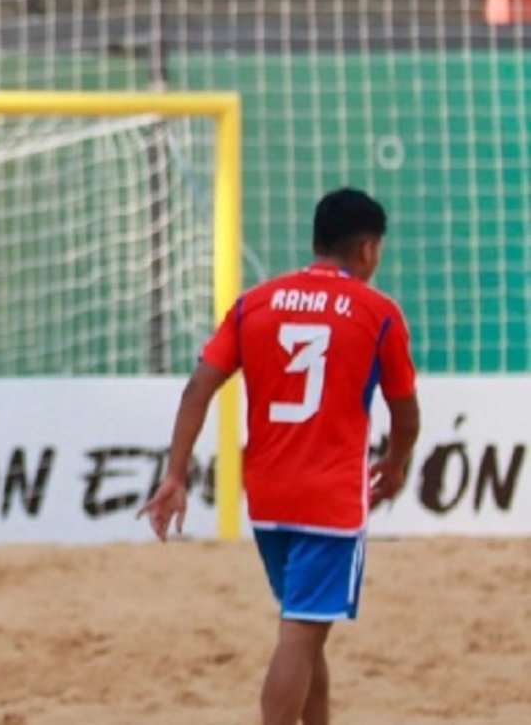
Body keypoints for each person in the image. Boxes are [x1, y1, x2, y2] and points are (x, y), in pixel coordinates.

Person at [139, 187, 421, 725]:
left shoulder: (256, 303)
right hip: (331, 498)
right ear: (367, 250)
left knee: (307, 629)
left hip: (268, 496)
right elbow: (405, 414)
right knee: (298, 637)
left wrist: (175, 474)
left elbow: (197, 388)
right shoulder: (378, 313)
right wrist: (397, 462)